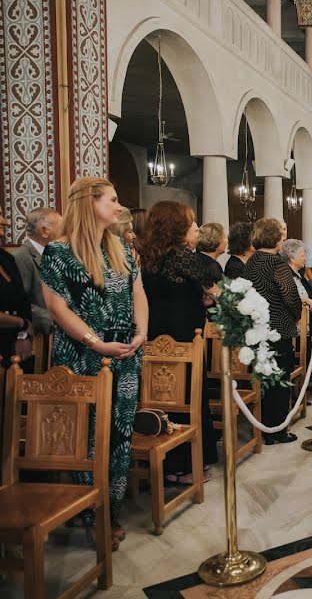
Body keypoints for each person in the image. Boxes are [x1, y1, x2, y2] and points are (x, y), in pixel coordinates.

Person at [40, 176, 147, 550]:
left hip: (126, 357)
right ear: (88, 202)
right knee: (87, 438)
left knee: (118, 439)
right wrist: (96, 343)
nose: (119, 207)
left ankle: (111, 512)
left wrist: (141, 333)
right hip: (83, 356)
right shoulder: (58, 252)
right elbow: (57, 306)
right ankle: (90, 516)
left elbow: (138, 292)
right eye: (112, 200)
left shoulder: (118, 247)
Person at [141, 201, 220, 481]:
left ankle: (167, 464)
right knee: (189, 394)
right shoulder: (182, 256)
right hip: (184, 333)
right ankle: (187, 465)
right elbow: (212, 286)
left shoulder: (148, 255)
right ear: (177, 228)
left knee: (160, 396)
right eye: (190, 224)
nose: (195, 229)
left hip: (155, 333)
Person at [245, 218, 303, 445]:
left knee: (265, 379)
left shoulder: (251, 262)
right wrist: (297, 313)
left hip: (258, 330)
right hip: (278, 330)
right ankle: (276, 431)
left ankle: (263, 426)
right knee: (279, 381)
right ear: (276, 238)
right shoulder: (277, 264)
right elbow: (290, 297)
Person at [13, 206, 61, 338]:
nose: (65, 232)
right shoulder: (21, 257)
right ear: (44, 231)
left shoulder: (55, 254)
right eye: (61, 227)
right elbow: (20, 302)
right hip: (41, 335)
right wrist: (54, 318)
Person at [0, 213, 34, 364]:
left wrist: (24, 334)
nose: (5, 222)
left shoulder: (7, 258)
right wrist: (22, 323)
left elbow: (25, 303)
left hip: (15, 351)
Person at [279, 239, 312, 314]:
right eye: (302, 256)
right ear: (292, 258)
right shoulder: (286, 276)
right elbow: (288, 299)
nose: (305, 259)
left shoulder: (299, 274)